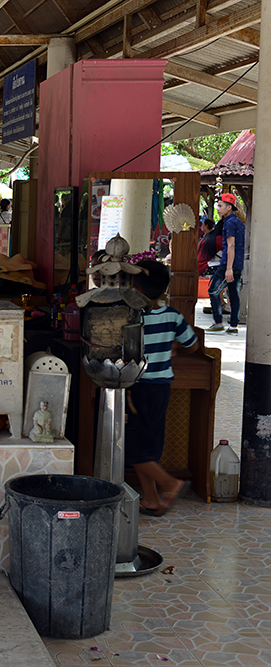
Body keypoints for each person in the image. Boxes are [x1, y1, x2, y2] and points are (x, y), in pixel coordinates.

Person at [129, 259, 199, 516]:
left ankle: (171, 483)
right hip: (161, 387)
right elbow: (193, 345)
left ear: (135, 288)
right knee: (148, 445)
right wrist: (174, 350)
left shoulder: (134, 316)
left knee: (135, 448)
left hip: (139, 386)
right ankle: (152, 500)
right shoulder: (172, 315)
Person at [207, 193, 244, 334]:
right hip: (238, 264)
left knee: (212, 290)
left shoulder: (229, 223)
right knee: (233, 294)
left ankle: (218, 323)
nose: (218, 208)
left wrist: (228, 268)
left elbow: (231, 245)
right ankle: (233, 326)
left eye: (220, 206)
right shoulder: (238, 222)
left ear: (229, 208)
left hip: (229, 263)